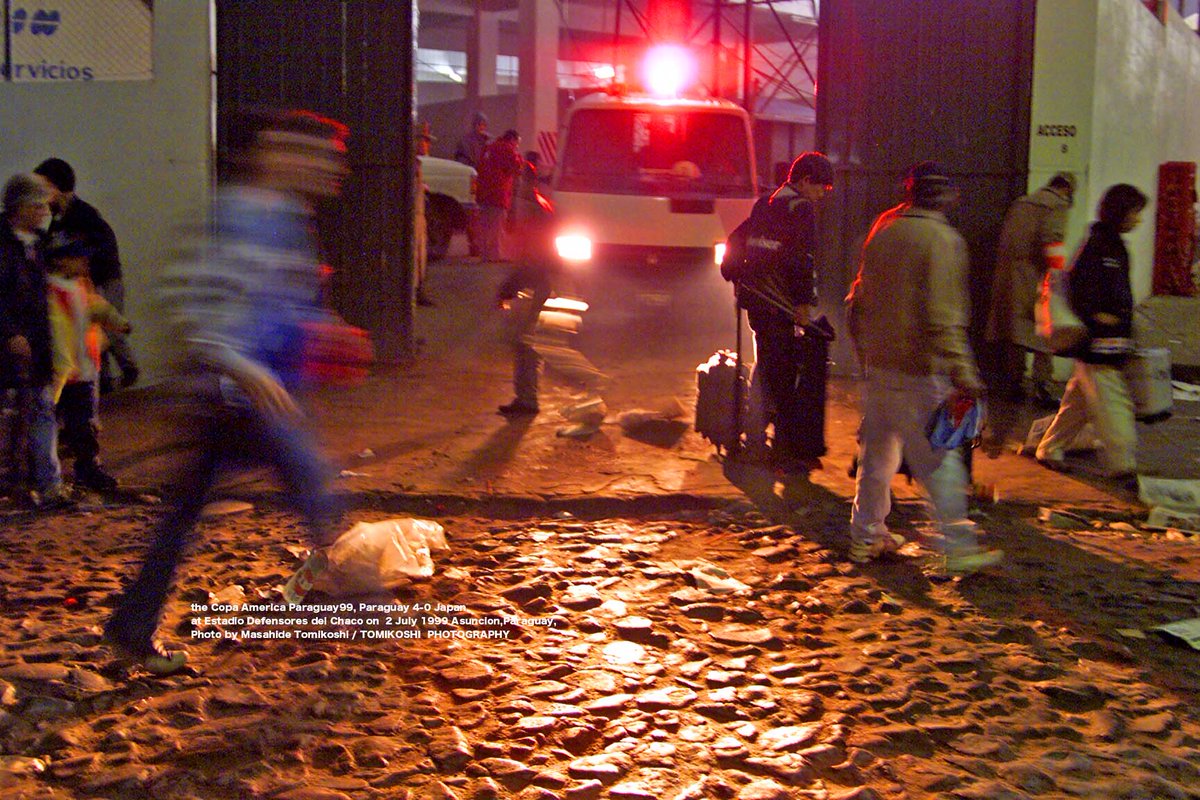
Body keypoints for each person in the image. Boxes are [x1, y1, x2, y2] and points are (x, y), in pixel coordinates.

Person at [103, 108, 351, 675]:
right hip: (234, 400)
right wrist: (242, 368)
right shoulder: (234, 217)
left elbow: (281, 302)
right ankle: (364, 615)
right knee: (314, 494)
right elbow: (186, 301)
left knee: (187, 516)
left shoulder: (289, 218)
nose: (324, 166)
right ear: (265, 154)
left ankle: (130, 627)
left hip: (266, 396)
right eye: (307, 153)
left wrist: (323, 329)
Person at [845, 161, 1002, 575]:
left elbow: (856, 303)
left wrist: (864, 358)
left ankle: (867, 536)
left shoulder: (883, 232)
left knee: (876, 459)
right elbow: (943, 318)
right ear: (946, 196)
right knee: (940, 460)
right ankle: (958, 547)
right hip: (920, 371)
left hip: (880, 368)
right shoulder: (943, 240)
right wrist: (965, 374)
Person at [1035, 183, 1148, 478]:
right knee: (1114, 410)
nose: (1139, 219)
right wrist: (1097, 317)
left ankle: (1050, 448)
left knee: (1077, 404)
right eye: (1135, 212)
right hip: (1099, 345)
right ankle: (1123, 465)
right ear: (1120, 212)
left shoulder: (1114, 246)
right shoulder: (1097, 246)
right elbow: (1080, 288)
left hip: (1107, 343)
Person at [736, 151, 834, 474]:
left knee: (766, 368)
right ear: (805, 181)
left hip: (757, 302)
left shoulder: (765, 204)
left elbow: (738, 240)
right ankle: (783, 453)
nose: (821, 195)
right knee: (783, 378)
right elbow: (801, 259)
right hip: (780, 306)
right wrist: (803, 304)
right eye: (821, 187)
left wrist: (737, 276)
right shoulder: (799, 208)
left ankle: (753, 440)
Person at [34, 158, 140, 392]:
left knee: (108, 327)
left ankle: (129, 368)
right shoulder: (57, 219)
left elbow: (103, 245)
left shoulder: (84, 214)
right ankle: (104, 380)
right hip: (84, 283)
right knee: (91, 331)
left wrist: (82, 264)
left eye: (45, 186)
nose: (40, 194)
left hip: (103, 279)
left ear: (58, 186)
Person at [0, 173, 73, 508]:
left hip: (35, 343)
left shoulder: (36, 245)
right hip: (11, 346)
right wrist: (10, 333)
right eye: (38, 205)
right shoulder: (7, 246)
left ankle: (47, 484)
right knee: (12, 414)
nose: (45, 211)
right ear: (21, 207)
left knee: (42, 409)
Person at [44, 235, 130, 491]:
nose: (85, 262)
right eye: (78, 258)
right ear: (61, 261)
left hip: (83, 369)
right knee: (62, 422)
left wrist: (116, 321)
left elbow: (95, 307)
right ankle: (65, 470)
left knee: (84, 423)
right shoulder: (51, 291)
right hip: (64, 372)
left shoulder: (79, 285)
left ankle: (87, 467)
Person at [985, 172, 1075, 407]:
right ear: (1067, 190)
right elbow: (1052, 241)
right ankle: (1042, 385)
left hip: (1009, 276)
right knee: (1045, 331)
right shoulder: (1056, 204)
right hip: (1036, 276)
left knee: (1015, 332)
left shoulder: (1021, 203)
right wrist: (1059, 277)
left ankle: (1014, 384)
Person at [475, 129, 524, 262]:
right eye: (517, 142)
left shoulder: (489, 147)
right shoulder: (508, 149)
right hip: (498, 193)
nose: (517, 145)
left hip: (483, 193)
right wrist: (519, 156)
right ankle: (496, 255)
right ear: (512, 139)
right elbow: (518, 166)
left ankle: (484, 255)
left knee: (485, 227)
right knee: (497, 227)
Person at [414, 123, 435, 307]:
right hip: (414, 215)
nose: (428, 145)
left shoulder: (416, 164)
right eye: (425, 140)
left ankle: (418, 291)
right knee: (415, 256)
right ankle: (414, 293)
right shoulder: (411, 166)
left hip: (419, 215)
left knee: (421, 256)